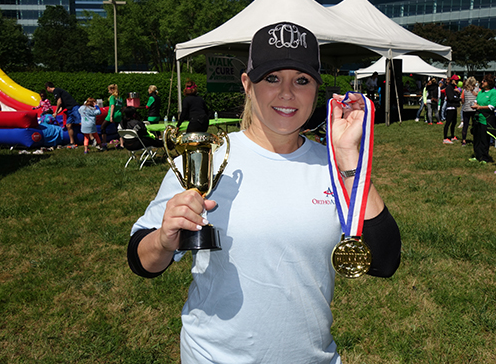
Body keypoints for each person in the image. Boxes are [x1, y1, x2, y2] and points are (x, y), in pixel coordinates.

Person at [127, 22, 402, 363]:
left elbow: (384, 261)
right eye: (272, 78)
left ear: (316, 88)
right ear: (247, 84)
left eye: (301, 80)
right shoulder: (207, 158)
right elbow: (142, 261)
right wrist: (165, 241)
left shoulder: (330, 164)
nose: (287, 93)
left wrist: (348, 157)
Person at [470, 74, 496, 163]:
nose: (482, 82)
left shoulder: (493, 92)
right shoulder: (481, 92)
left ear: (489, 83)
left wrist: (479, 107)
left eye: (484, 81)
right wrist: (473, 105)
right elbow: (476, 101)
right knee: (476, 138)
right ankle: (477, 155)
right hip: (477, 118)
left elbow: (491, 106)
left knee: (484, 139)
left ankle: (484, 157)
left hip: (486, 119)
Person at [45, 82, 80, 148]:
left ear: (48, 88)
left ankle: (92, 138)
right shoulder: (58, 92)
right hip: (69, 109)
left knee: (80, 122)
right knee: (68, 125)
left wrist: (55, 112)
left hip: (74, 107)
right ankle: (72, 142)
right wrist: (56, 113)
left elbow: (59, 101)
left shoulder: (56, 91)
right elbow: (62, 107)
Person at [101, 84, 124, 150]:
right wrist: (120, 113)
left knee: (103, 127)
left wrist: (111, 116)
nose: (108, 92)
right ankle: (122, 145)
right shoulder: (120, 97)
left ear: (112, 90)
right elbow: (123, 108)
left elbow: (112, 106)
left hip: (112, 114)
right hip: (118, 115)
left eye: (109, 90)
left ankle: (104, 144)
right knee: (119, 129)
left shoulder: (112, 97)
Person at [460, 77, 479, 146]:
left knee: (465, 125)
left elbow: (462, 100)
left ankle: (464, 140)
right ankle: (475, 139)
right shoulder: (477, 90)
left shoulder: (464, 90)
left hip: (466, 109)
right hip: (474, 109)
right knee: (475, 125)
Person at [443, 74, 461, 144]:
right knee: (448, 123)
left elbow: (455, 97)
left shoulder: (454, 88)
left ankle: (452, 136)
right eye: (456, 81)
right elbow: (451, 98)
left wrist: (458, 94)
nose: (457, 82)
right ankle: (445, 138)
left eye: (457, 81)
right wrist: (458, 99)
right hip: (450, 107)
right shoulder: (449, 87)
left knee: (454, 122)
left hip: (454, 107)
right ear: (452, 80)